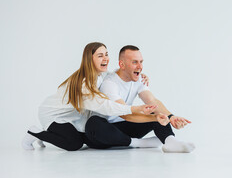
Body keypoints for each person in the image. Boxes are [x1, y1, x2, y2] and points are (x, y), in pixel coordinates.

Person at [21, 42, 165, 151]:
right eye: (100, 55)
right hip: (53, 114)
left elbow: (118, 75)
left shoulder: (101, 75)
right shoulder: (84, 83)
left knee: (84, 138)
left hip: (73, 117)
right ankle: (35, 132)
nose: (106, 58)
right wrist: (134, 109)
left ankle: (47, 135)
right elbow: (103, 105)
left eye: (107, 54)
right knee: (74, 144)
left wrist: (137, 73)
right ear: (89, 59)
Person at [85, 45, 195, 153]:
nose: (140, 66)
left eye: (141, 62)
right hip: (104, 133)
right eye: (134, 62)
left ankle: (170, 142)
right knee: (94, 123)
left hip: (126, 128)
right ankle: (139, 143)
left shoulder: (139, 79)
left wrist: (171, 117)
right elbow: (125, 114)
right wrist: (155, 118)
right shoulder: (110, 83)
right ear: (122, 65)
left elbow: (152, 101)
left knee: (154, 111)